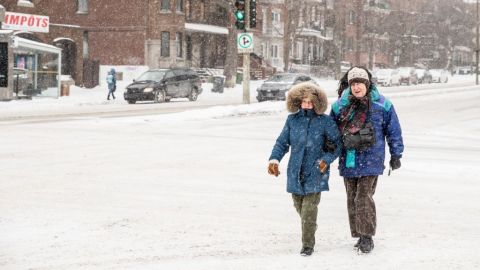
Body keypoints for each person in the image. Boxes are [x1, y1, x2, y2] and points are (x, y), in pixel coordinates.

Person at [330, 67, 404, 254]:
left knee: (363, 197)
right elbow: (330, 132)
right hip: (349, 158)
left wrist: (396, 154)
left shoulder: (382, 104)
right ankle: (359, 233)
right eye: (353, 83)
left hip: (372, 159)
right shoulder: (340, 106)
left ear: (367, 84)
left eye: (360, 83)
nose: (357, 87)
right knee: (352, 198)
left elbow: (393, 130)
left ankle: (367, 236)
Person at [268, 82, 342, 256]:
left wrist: (326, 160)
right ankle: (310, 225)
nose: (307, 105)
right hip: (295, 171)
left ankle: (307, 245)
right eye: (304, 101)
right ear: (298, 102)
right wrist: (274, 159)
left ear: (317, 102)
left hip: (316, 171)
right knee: (299, 206)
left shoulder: (325, 121)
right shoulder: (292, 120)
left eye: (310, 101)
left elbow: (336, 145)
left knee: (309, 210)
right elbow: (282, 143)